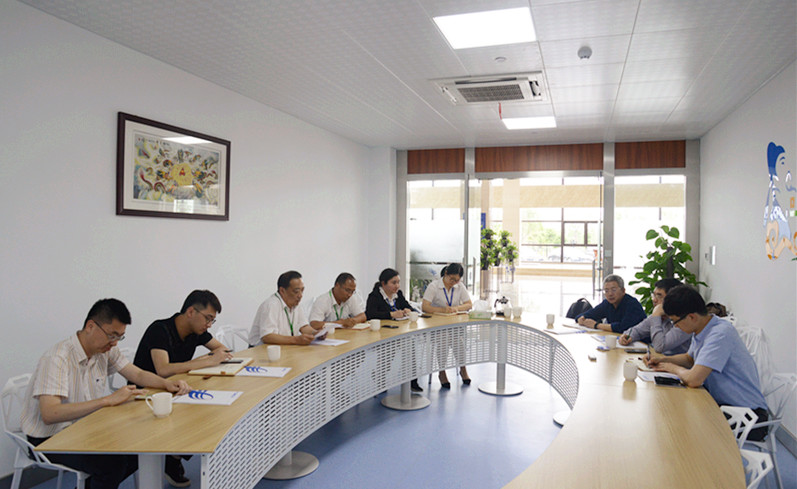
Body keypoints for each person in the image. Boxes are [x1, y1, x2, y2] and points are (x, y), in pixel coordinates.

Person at [20, 299, 191, 489]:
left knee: (140, 449)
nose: (114, 342)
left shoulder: (105, 350)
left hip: (84, 428)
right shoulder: (57, 358)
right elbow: (50, 414)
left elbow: (137, 374)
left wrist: (167, 383)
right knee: (112, 465)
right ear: (90, 326)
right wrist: (107, 400)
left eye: (119, 337)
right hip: (49, 438)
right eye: (111, 335)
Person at [132, 290, 232, 487]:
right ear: (191, 312)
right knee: (199, 413)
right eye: (208, 318)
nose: (209, 325)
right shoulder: (160, 330)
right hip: (147, 394)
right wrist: (204, 362)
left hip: (174, 389)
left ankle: (174, 458)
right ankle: (172, 458)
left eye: (212, 320)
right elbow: (163, 370)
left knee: (210, 412)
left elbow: (223, 350)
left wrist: (209, 358)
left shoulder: (197, 332)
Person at [646, 286, 769, 441]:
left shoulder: (720, 333)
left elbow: (694, 379)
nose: (675, 326)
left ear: (691, 317)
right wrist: (663, 360)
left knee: (683, 425)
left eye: (675, 321)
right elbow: (690, 359)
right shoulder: (703, 327)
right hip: (722, 406)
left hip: (748, 416)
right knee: (675, 415)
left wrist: (672, 368)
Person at [365, 268, 422, 391]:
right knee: (390, 348)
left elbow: (409, 307)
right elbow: (370, 314)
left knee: (410, 345)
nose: (397, 286)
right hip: (381, 334)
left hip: (397, 331)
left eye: (398, 282)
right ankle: (380, 377)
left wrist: (408, 310)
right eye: (393, 282)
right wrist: (391, 314)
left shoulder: (398, 294)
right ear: (383, 283)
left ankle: (412, 381)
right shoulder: (375, 296)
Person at [422, 263, 473, 388]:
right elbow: (425, 307)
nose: (453, 282)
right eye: (451, 279)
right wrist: (442, 310)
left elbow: (469, 304)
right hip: (436, 327)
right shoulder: (434, 286)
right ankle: (442, 371)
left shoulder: (459, 286)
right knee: (443, 338)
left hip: (453, 325)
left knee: (458, 340)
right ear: (446, 274)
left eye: (457, 280)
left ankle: (463, 369)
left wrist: (456, 308)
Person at [249, 270, 323, 346]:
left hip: (284, 347)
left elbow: (303, 326)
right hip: (260, 350)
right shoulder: (271, 305)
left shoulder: (296, 304)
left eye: (302, 290)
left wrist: (315, 333)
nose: (300, 295)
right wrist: (296, 340)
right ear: (282, 291)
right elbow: (267, 336)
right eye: (296, 291)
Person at [618, 278, 691, 355]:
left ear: (672, 299)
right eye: (654, 295)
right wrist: (626, 336)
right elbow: (637, 331)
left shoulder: (683, 321)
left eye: (659, 296)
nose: (654, 300)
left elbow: (660, 347)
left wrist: (656, 315)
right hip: (657, 359)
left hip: (673, 361)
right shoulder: (660, 315)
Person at [576, 275, 646, 333]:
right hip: (619, 340)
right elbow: (588, 314)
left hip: (640, 342)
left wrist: (596, 325)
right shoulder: (607, 303)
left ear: (623, 291)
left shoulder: (632, 304)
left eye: (613, 290)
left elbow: (624, 328)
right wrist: (582, 318)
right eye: (606, 291)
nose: (610, 294)